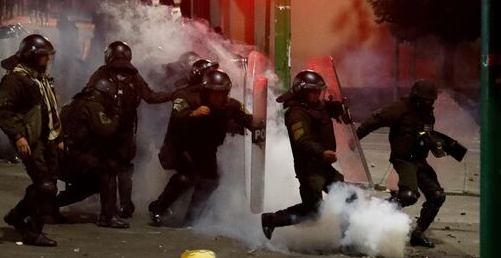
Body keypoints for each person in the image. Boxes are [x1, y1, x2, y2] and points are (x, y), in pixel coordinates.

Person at [148, 68, 256, 226]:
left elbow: (248, 119)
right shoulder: (189, 98)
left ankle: (193, 217)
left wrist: (258, 127)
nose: (218, 97)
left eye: (222, 93)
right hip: (181, 148)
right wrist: (193, 114)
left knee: (211, 182)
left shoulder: (231, 105)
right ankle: (158, 208)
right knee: (187, 177)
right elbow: (177, 116)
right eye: (214, 93)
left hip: (207, 151)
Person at [86, 41, 173, 218]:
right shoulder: (133, 75)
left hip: (105, 131)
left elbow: (87, 97)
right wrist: (174, 94)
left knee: (108, 169)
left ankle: (109, 210)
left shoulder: (102, 73)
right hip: (126, 131)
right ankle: (125, 206)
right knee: (124, 168)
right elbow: (150, 97)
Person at [356, 79, 445, 248]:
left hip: (419, 160)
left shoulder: (427, 113)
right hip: (404, 159)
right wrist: (355, 138)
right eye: (427, 100)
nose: (430, 103)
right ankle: (377, 210)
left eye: (432, 100)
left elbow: (425, 133)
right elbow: (375, 120)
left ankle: (418, 234)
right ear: (417, 98)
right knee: (408, 195)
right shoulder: (400, 108)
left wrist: (437, 143)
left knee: (437, 196)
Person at [261, 70, 347, 240]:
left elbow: (323, 109)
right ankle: (271, 219)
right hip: (309, 170)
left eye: (318, 92)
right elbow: (302, 141)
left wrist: (338, 108)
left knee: (347, 196)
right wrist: (322, 153)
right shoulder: (296, 114)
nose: (317, 96)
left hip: (322, 165)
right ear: (302, 92)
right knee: (313, 211)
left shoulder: (314, 106)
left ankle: (349, 237)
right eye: (312, 92)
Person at [0, 34, 63, 247]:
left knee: (48, 185)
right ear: (32, 56)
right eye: (43, 56)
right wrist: (18, 136)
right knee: (45, 186)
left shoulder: (39, 78)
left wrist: (58, 136)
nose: (47, 60)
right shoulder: (15, 80)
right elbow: (3, 112)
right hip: (31, 140)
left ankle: (17, 215)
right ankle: (33, 232)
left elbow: (50, 110)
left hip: (47, 138)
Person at [56, 78, 129, 228]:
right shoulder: (93, 106)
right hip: (74, 158)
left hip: (62, 157)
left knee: (91, 185)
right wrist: (116, 115)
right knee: (107, 170)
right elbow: (106, 130)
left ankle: (50, 205)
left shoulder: (74, 102)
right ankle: (108, 217)